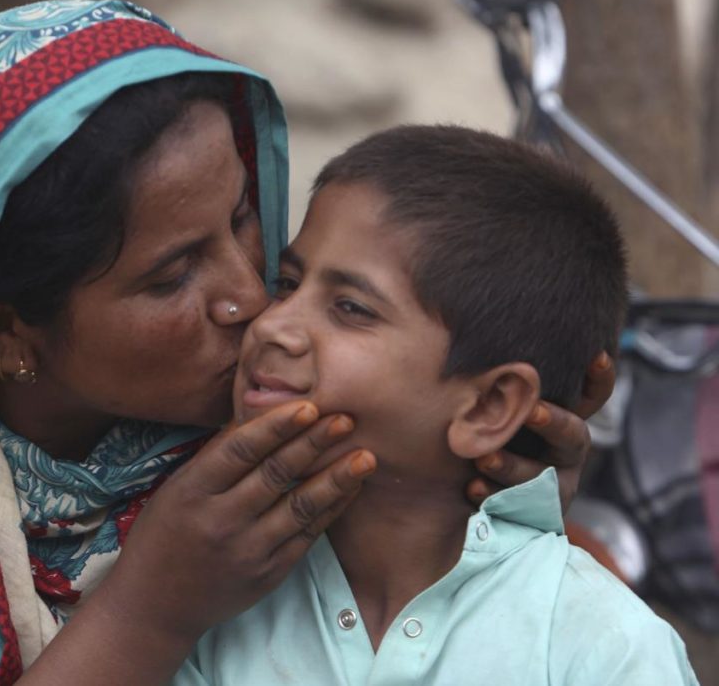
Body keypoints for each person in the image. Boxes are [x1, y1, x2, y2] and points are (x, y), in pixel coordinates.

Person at [0, 1, 610, 685]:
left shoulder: (285, 426)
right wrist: (147, 613)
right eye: (172, 277)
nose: (252, 301)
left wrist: (488, 502)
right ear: (4, 335)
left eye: (247, 218)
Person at [171, 125, 699, 686]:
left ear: (488, 407)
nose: (274, 324)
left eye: (350, 307)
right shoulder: (214, 595)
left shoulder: (601, 648)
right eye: (286, 283)